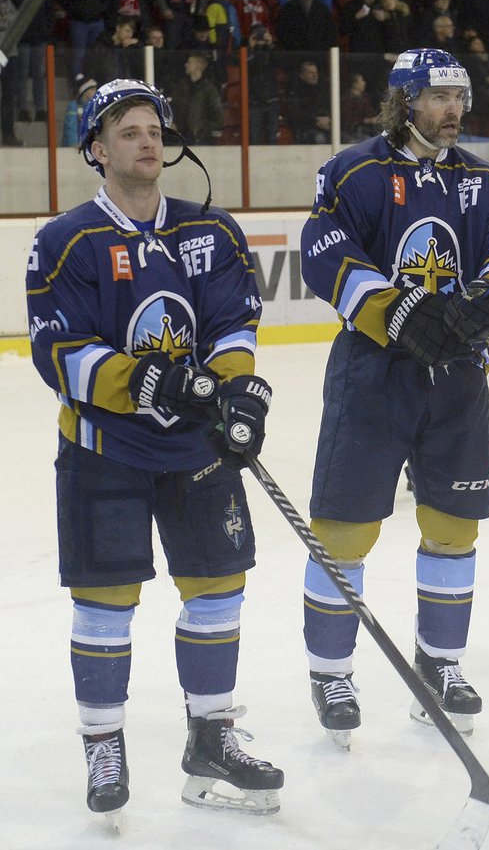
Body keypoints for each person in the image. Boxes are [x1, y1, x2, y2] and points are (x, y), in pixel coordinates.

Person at [24, 78, 282, 819]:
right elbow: (60, 353)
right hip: (105, 450)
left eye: (153, 129)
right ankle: (103, 741)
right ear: (97, 150)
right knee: (107, 602)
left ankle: (212, 737)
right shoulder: (66, 239)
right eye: (129, 131)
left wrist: (235, 394)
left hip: (194, 451)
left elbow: (234, 326)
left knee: (218, 586)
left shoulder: (211, 231)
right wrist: (151, 382)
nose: (147, 141)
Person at [298, 48, 489, 742]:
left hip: (456, 381)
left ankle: (441, 661)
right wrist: (395, 311)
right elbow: (324, 248)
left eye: (460, 97)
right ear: (404, 101)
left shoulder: (486, 184)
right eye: (438, 98)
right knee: (344, 532)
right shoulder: (356, 171)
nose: (454, 110)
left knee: (454, 527)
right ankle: (331, 671)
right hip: (372, 377)